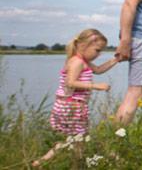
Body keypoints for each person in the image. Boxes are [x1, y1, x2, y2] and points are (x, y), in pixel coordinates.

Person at [32, 29, 120, 167]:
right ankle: (72, 164)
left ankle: (42, 163)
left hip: (67, 105)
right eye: (97, 50)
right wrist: (96, 86)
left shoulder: (82, 61)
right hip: (72, 106)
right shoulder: (77, 62)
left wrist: (116, 59)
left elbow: (98, 70)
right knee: (78, 140)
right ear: (83, 45)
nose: (99, 54)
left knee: (67, 140)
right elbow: (70, 82)